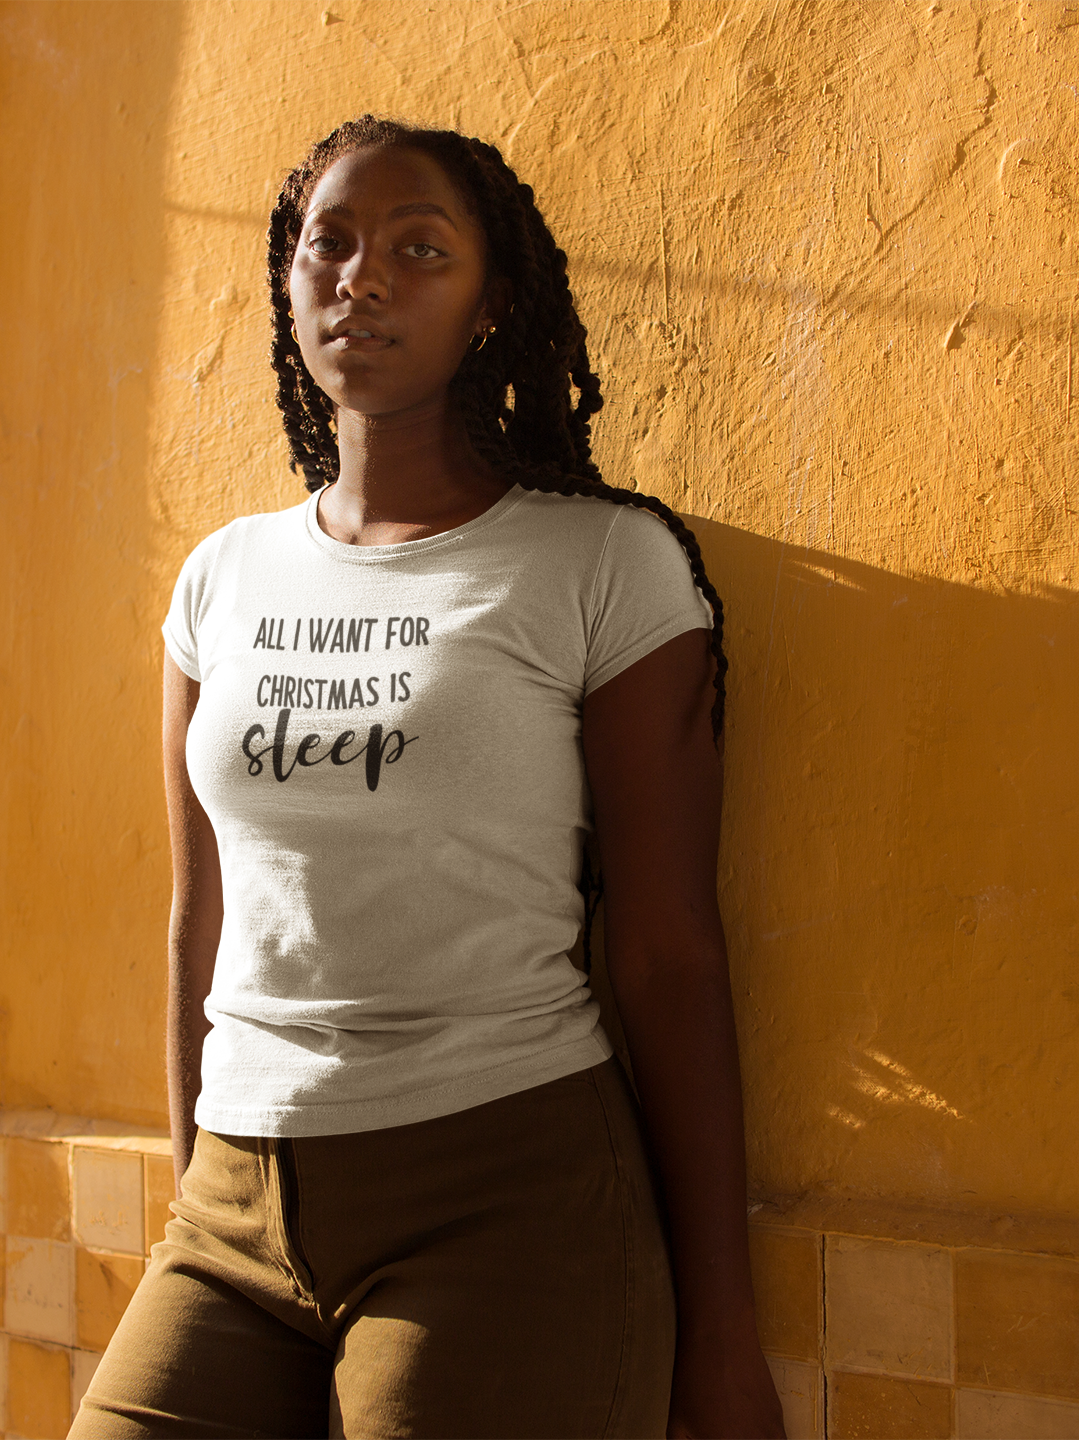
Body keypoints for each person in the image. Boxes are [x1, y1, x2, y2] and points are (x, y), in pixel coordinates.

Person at [72, 116, 785, 1440]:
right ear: (287, 280)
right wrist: (195, 1196)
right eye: (329, 245)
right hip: (232, 1208)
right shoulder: (221, 580)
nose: (364, 278)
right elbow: (202, 924)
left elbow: (671, 953)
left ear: (491, 300)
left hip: (506, 1190)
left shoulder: (600, 569)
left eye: (419, 249)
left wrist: (723, 1336)